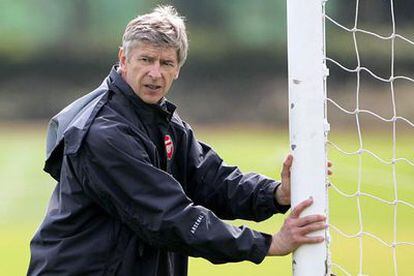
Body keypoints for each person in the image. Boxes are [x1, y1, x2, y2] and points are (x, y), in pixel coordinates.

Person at [28, 5, 327, 276]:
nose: (155, 73)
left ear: (178, 69)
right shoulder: (104, 133)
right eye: (145, 59)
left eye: (166, 63)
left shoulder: (164, 122)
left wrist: (275, 194)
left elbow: (212, 181)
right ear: (123, 59)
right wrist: (267, 244)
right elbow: (168, 217)